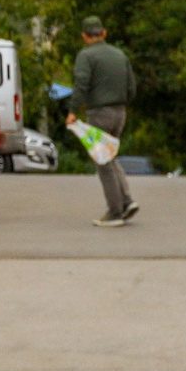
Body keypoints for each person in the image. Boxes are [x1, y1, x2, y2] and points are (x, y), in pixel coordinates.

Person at [69, 17, 139, 227]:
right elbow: (132, 88)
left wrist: (73, 111)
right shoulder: (120, 54)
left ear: (84, 35)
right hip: (120, 112)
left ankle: (115, 212)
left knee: (103, 162)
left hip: (99, 113)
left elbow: (81, 84)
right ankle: (127, 201)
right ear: (104, 33)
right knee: (110, 155)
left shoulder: (86, 55)